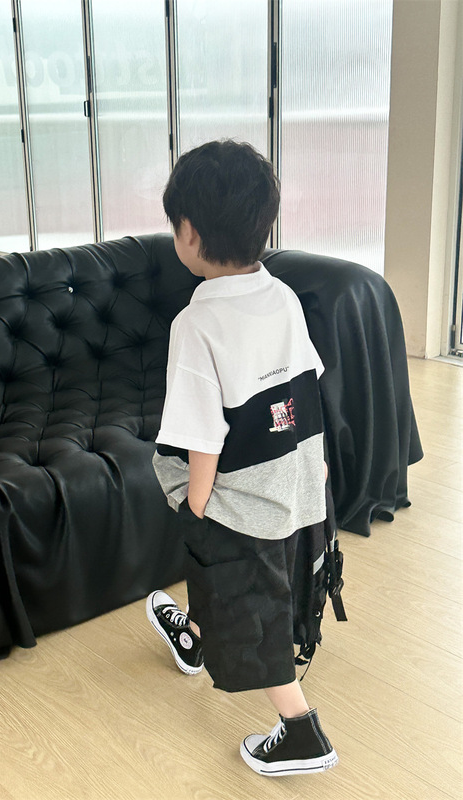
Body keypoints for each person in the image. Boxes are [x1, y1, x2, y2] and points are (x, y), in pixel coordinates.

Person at [146, 139, 339, 777]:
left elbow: (201, 434)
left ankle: (302, 732)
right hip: (300, 476)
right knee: (252, 582)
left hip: (244, 493)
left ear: (189, 233)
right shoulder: (281, 294)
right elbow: (306, 385)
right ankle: (195, 637)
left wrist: (199, 504)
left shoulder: (195, 324)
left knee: (247, 594)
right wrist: (316, 470)